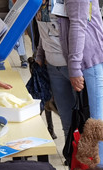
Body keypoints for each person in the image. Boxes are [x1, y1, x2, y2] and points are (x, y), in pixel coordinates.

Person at [57, 0, 103, 170]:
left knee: (94, 130)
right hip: (59, 65)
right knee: (71, 128)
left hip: (85, 63)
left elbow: (78, 24)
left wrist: (74, 68)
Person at [35, 0, 76, 141]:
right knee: (65, 118)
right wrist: (39, 55)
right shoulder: (39, 3)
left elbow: (78, 28)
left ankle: (86, 159)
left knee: (82, 118)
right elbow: (44, 30)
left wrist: (75, 67)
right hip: (52, 66)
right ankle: (70, 156)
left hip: (72, 66)